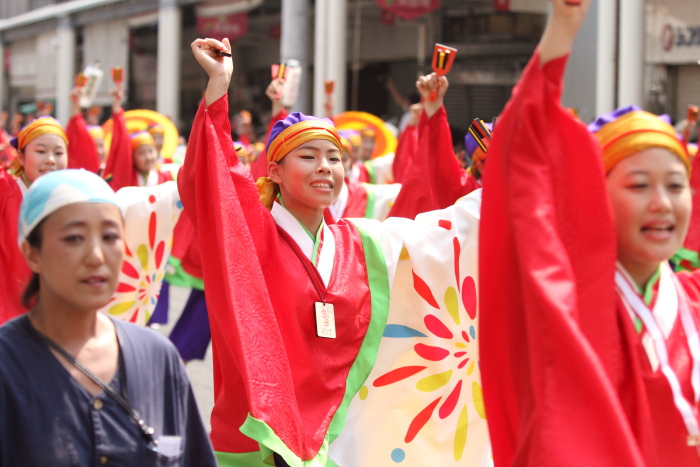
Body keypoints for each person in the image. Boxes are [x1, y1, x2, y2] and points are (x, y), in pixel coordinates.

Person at [183, 37, 489, 467]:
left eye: (334, 157)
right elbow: (213, 183)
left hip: (337, 433)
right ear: (274, 170)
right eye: (307, 156)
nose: (325, 166)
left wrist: (504, 192)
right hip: (258, 433)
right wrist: (218, 87)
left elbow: (441, 235)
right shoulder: (252, 236)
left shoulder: (359, 241)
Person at [480, 0, 700, 465]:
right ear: (593, 199)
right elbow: (522, 150)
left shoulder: (693, 297)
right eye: (638, 185)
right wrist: (561, 30)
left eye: (676, 185)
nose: (662, 201)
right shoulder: (569, 299)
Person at [0, 169, 216, 466]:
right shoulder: (7, 365)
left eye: (110, 236)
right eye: (74, 237)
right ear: (32, 253)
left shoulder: (158, 357)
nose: (97, 256)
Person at [0, 116, 68, 324]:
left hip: (51, 314)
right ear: (20, 157)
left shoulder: (69, 200)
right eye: (40, 151)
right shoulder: (5, 188)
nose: (50, 160)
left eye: (58, 153)